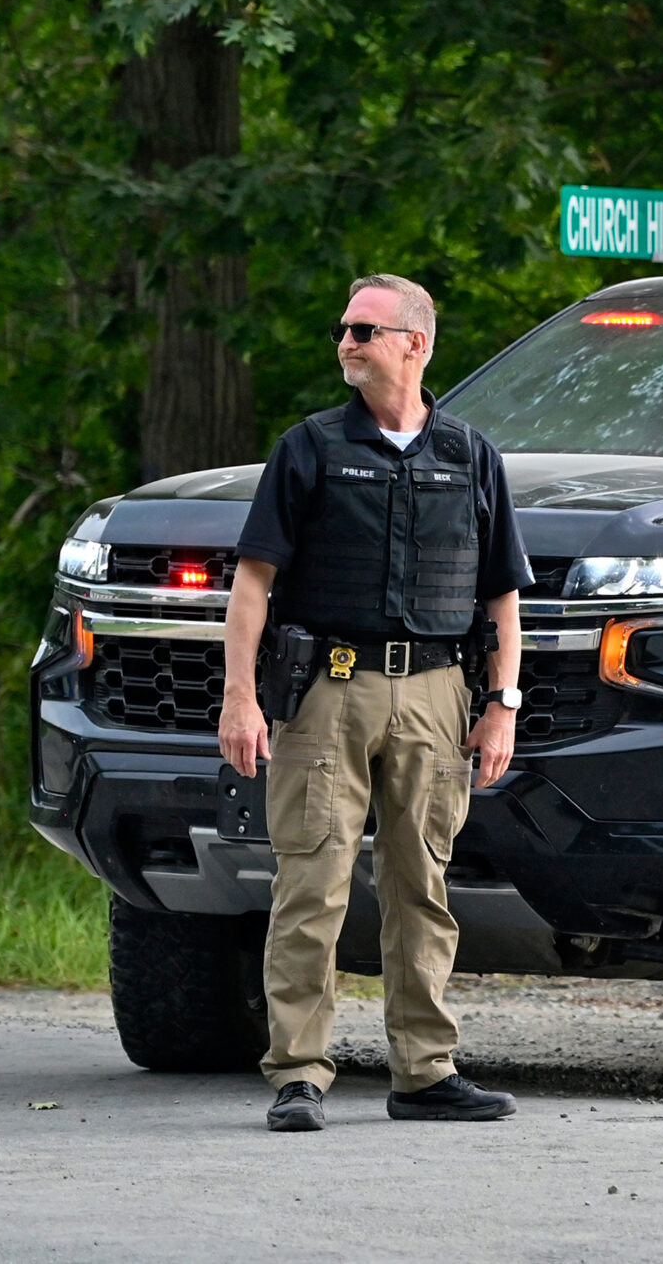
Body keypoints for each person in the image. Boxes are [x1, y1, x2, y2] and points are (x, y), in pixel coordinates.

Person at [217, 273, 532, 1133]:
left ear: (415, 344)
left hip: (436, 694)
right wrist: (240, 697)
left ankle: (425, 1071)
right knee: (310, 884)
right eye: (343, 329)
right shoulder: (309, 448)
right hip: (329, 691)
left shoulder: (471, 455)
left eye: (365, 329)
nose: (347, 342)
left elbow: (503, 596)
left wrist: (502, 703)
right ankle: (299, 1072)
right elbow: (252, 582)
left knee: (422, 884)